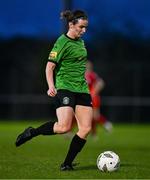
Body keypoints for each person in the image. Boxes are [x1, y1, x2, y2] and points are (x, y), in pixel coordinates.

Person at [15, 10, 93, 171]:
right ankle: (33, 132)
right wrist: (51, 86)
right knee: (64, 127)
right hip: (65, 88)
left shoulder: (80, 42)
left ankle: (67, 164)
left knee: (86, 128)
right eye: (81, 27)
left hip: (82, 89)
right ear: (71, 25)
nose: (84, 30)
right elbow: (50, 66)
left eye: (86, 27)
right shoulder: (61, 42)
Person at [85, 61, 113, 137]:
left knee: (95, 116)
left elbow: (101, 83)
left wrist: (94, 92)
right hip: (87, 98)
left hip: (93, 98)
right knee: (90, 116)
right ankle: (94, 133)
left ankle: (106, 124)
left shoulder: (91, 75)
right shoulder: (83, 75)